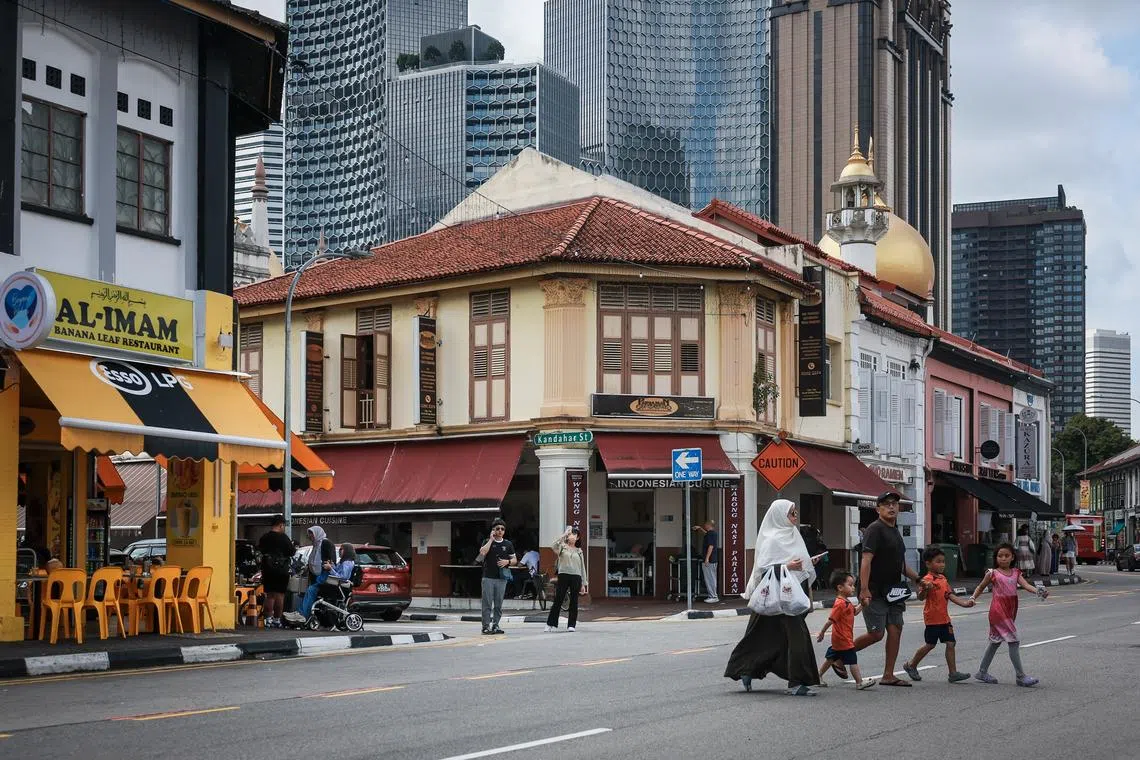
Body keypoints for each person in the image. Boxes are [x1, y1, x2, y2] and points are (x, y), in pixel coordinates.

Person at [724, 499, 824, 697]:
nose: (795, 516)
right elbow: (764, 569)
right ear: (779, 515)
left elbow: (797, 562)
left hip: (791, 595)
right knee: (792, 637)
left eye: (795, 512)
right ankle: (797, 683)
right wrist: (787, 567)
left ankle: (748, 670)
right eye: (791, 513)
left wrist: (808, 562)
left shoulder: (793, 535)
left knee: (767, 637)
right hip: (774, 596)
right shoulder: (772, 538)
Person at [851, 491, 923, 687]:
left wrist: (917, 578)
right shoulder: (875, 529)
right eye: (886, 504)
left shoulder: (895, 530)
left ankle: (888, 675)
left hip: (894, 590)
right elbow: (866, 560)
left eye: (894, 504)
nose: (892, 507)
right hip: (875, 589)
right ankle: (840, 655)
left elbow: (899, 563)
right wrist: (864, 589)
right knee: (876, 634)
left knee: (895, 629)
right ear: (878, 509)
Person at [970, 543, 1048, 686]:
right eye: (1000, 556)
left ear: (1012, 557)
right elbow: (981, 586)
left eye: (1007, 556)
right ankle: (1020, 676)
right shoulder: (992, 573)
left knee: (995, 642)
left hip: (1010, 610)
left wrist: (1039, 591)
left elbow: (1026, 585)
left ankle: (982, 671)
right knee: (1014, 641)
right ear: (996, 558)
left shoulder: (1016, 573)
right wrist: (973, 598)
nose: (1003, 559)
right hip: (998, 611)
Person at [902, 546, 975, 683]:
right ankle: (911, 665)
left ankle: (953, 673)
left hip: (944, 619)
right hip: (932, 619)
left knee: (951, 643)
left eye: (943, 561)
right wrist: (925, 589)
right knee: (930, 644)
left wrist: (965, 604)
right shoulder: (926, 580)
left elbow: (950, 595)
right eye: (938, 561)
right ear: (928, 563)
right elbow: (920, 597)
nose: (942, 564)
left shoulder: (943, 579)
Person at [816, 571, 875, 690]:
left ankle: (818, 676)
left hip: (841, 638)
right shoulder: (840, 604)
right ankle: (859, 682)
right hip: (843, 639)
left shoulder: (846, 602)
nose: (853, 587)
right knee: (852, 660)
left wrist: (862, 604)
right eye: (850, 585)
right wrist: (822, 632)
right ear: (840, 587)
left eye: (853, 585)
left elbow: (855, 612)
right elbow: (830, 620)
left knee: (831, 658)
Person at [285, 526, 336, 623]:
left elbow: (330, 560)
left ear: (317, 533)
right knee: (303, 590)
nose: (310, 536)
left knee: (311, 590)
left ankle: (302, 614)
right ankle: (300, 612)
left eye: (311, 533)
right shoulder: (316, 545)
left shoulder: (325, 543)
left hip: (324, 576)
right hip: (315, 575)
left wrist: (326, 569)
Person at [545, 526, 588, 632]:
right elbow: (553, 545)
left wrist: (583, 583)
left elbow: (582, 567)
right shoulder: (562, 547)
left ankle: (571, 625)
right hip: (563, 575)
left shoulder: (579, 551)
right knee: (558, 599)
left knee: (574, 601)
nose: (571, 536)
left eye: (574, 534)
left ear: (577, 538)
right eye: (570, 534)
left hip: (576, 577)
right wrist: (564, 535)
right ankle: (551, 624)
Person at [478, 518, 515, 635]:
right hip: (488, 577)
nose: (500, 531)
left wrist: (507, 562)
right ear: (493, 530)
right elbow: (482, 553)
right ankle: (485, 626)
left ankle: (496, 625)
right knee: (487, 603)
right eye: (497, 529)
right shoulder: (486, 541)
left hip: (501, 578)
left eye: (502, 529)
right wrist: (491, 540)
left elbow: (514, 559)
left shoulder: (508, 544)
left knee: (498, 604)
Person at [257, 516, 295, 628]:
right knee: (280, 595)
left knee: (270, 595)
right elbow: (292, 552)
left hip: (267, 569)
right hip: (282, 570)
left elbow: (260, 550)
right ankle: (277, 620)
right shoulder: (284, 538)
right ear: (281, 525)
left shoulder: (265, 537)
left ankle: (268, 619)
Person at [693, 519, 719, 603]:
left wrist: (707, 558)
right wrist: (700, 528)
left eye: (705, 525)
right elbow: (706, 534)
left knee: (710, 578)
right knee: (711, 577)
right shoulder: (712, 533)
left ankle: (713, 596)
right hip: (712, 560)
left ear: (708, 525)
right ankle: (713, 595)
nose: (704, 526)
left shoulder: (711, 534)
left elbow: (710, 546)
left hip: (709, 560)